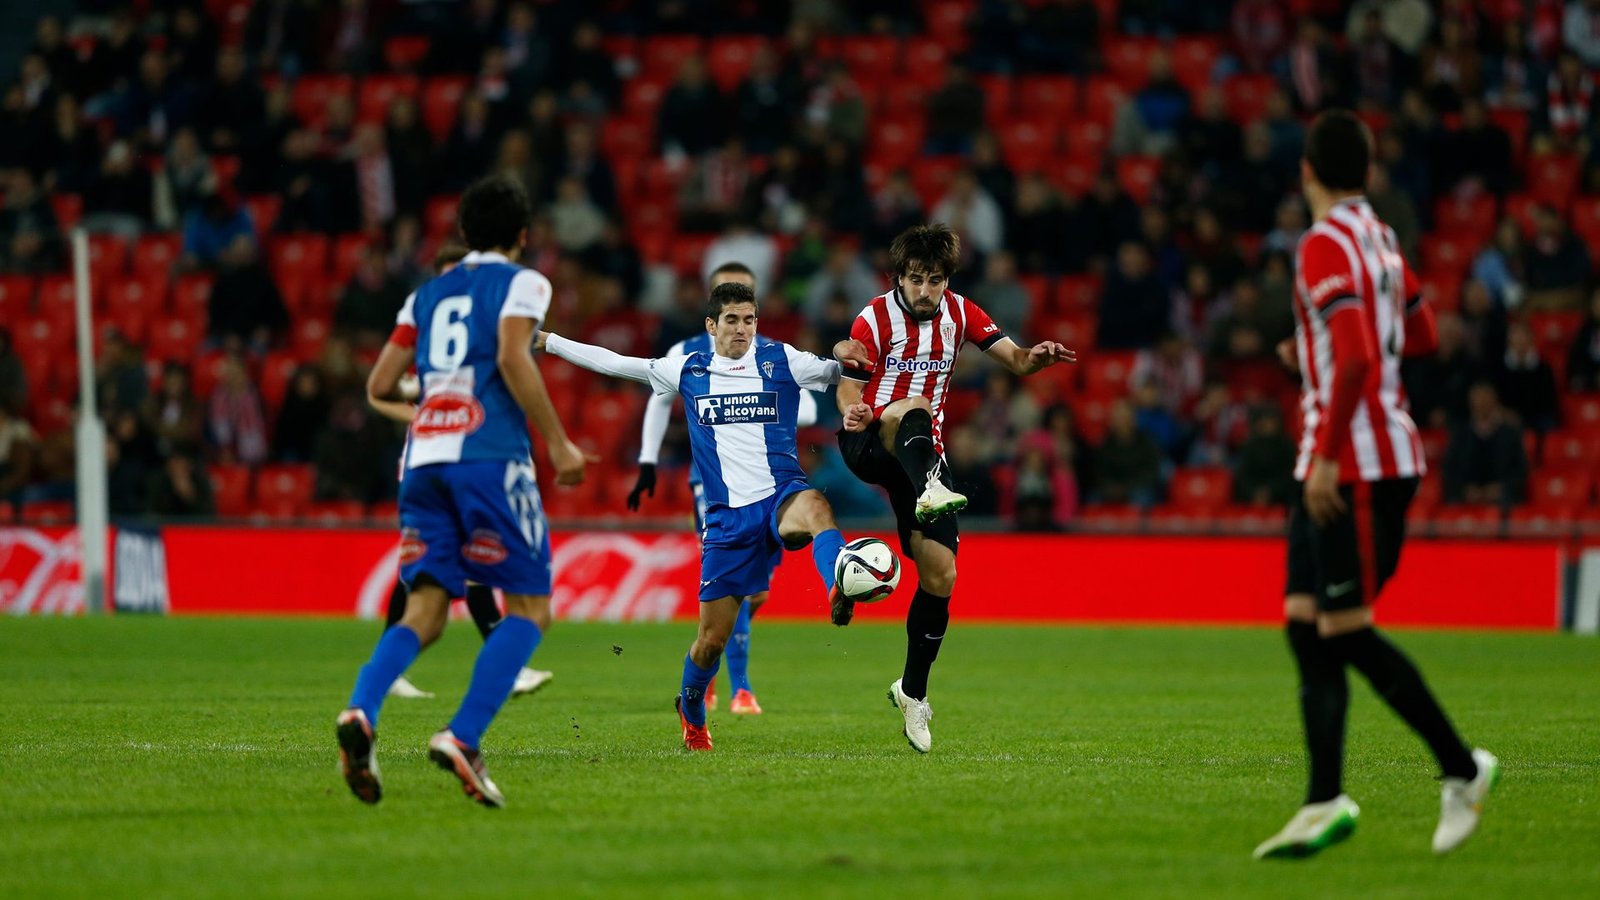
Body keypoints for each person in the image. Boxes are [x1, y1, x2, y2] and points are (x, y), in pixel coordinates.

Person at [1254, 111, 1497, 861]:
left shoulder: (1322, 243)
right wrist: (1318, 351)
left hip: (1354, 465)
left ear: (1306, 173)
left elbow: (1358, 354)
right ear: (1367, 171)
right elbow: (1420, 336)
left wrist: (1328, 454)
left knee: (1345, 629)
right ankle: (1323, 800)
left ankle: (1462, 769)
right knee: (1305, 621)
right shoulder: (1382, 238)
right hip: (1342, 460)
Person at [335, 176, 590, 809]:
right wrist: (557, 443)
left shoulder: (424, 295)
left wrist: (441, 402)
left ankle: (362, 711)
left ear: (463, 235)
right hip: (489, 458)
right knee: (531, 609)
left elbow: (383, 381)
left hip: (424, 460)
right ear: (523, 236)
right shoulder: (524, 281)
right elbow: (512, 355)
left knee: (425, 610)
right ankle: (463, 737)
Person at [538, 280, 852, 752]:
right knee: (710, 642)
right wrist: (549, 341)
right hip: (726, 519)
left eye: (749, 319)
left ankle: (839, 580)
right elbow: (615, 362)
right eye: (732, 320)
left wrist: (854, 355)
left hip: (780, 496)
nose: (742, 329)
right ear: (711, 325)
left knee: (818, 508)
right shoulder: (687, 368)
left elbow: (842, 373)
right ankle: (691, 710)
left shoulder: (781, 360)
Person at [832, 223, 1075, 753]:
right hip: (872, 440)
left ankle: (912, 694)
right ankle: (930, 487)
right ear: (899, 276)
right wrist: (850, 406)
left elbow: (1014, 358)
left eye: (935, 280)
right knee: (914, 406)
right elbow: (849, 375)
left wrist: (1037, 356)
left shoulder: (963, 313)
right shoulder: (874, 316)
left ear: (947, 281)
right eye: (916, 279)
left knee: (942, 575)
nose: (925, 291)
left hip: (922, 457)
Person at [625, 261, 821, 716]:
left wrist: (762, 409)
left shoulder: (771, 354)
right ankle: (736, 688)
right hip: (713, 487)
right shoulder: (687, 353)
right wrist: (648, 458)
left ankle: (717, 675)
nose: (739, 322)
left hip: (768, 484)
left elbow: (807, 406)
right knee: (730, 588)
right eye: (729, 310)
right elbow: (658, 400)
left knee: (757, 594)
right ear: (711, 311)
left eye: (747, 310)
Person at [367, 242, 553, 701]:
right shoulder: (433, 337)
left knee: (429, 577)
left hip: (449, 456)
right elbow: (379, 392)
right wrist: (421, 416)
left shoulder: (449, 329)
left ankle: (380, 677)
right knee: (459, 570)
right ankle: (504, 664)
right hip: (440, 454)